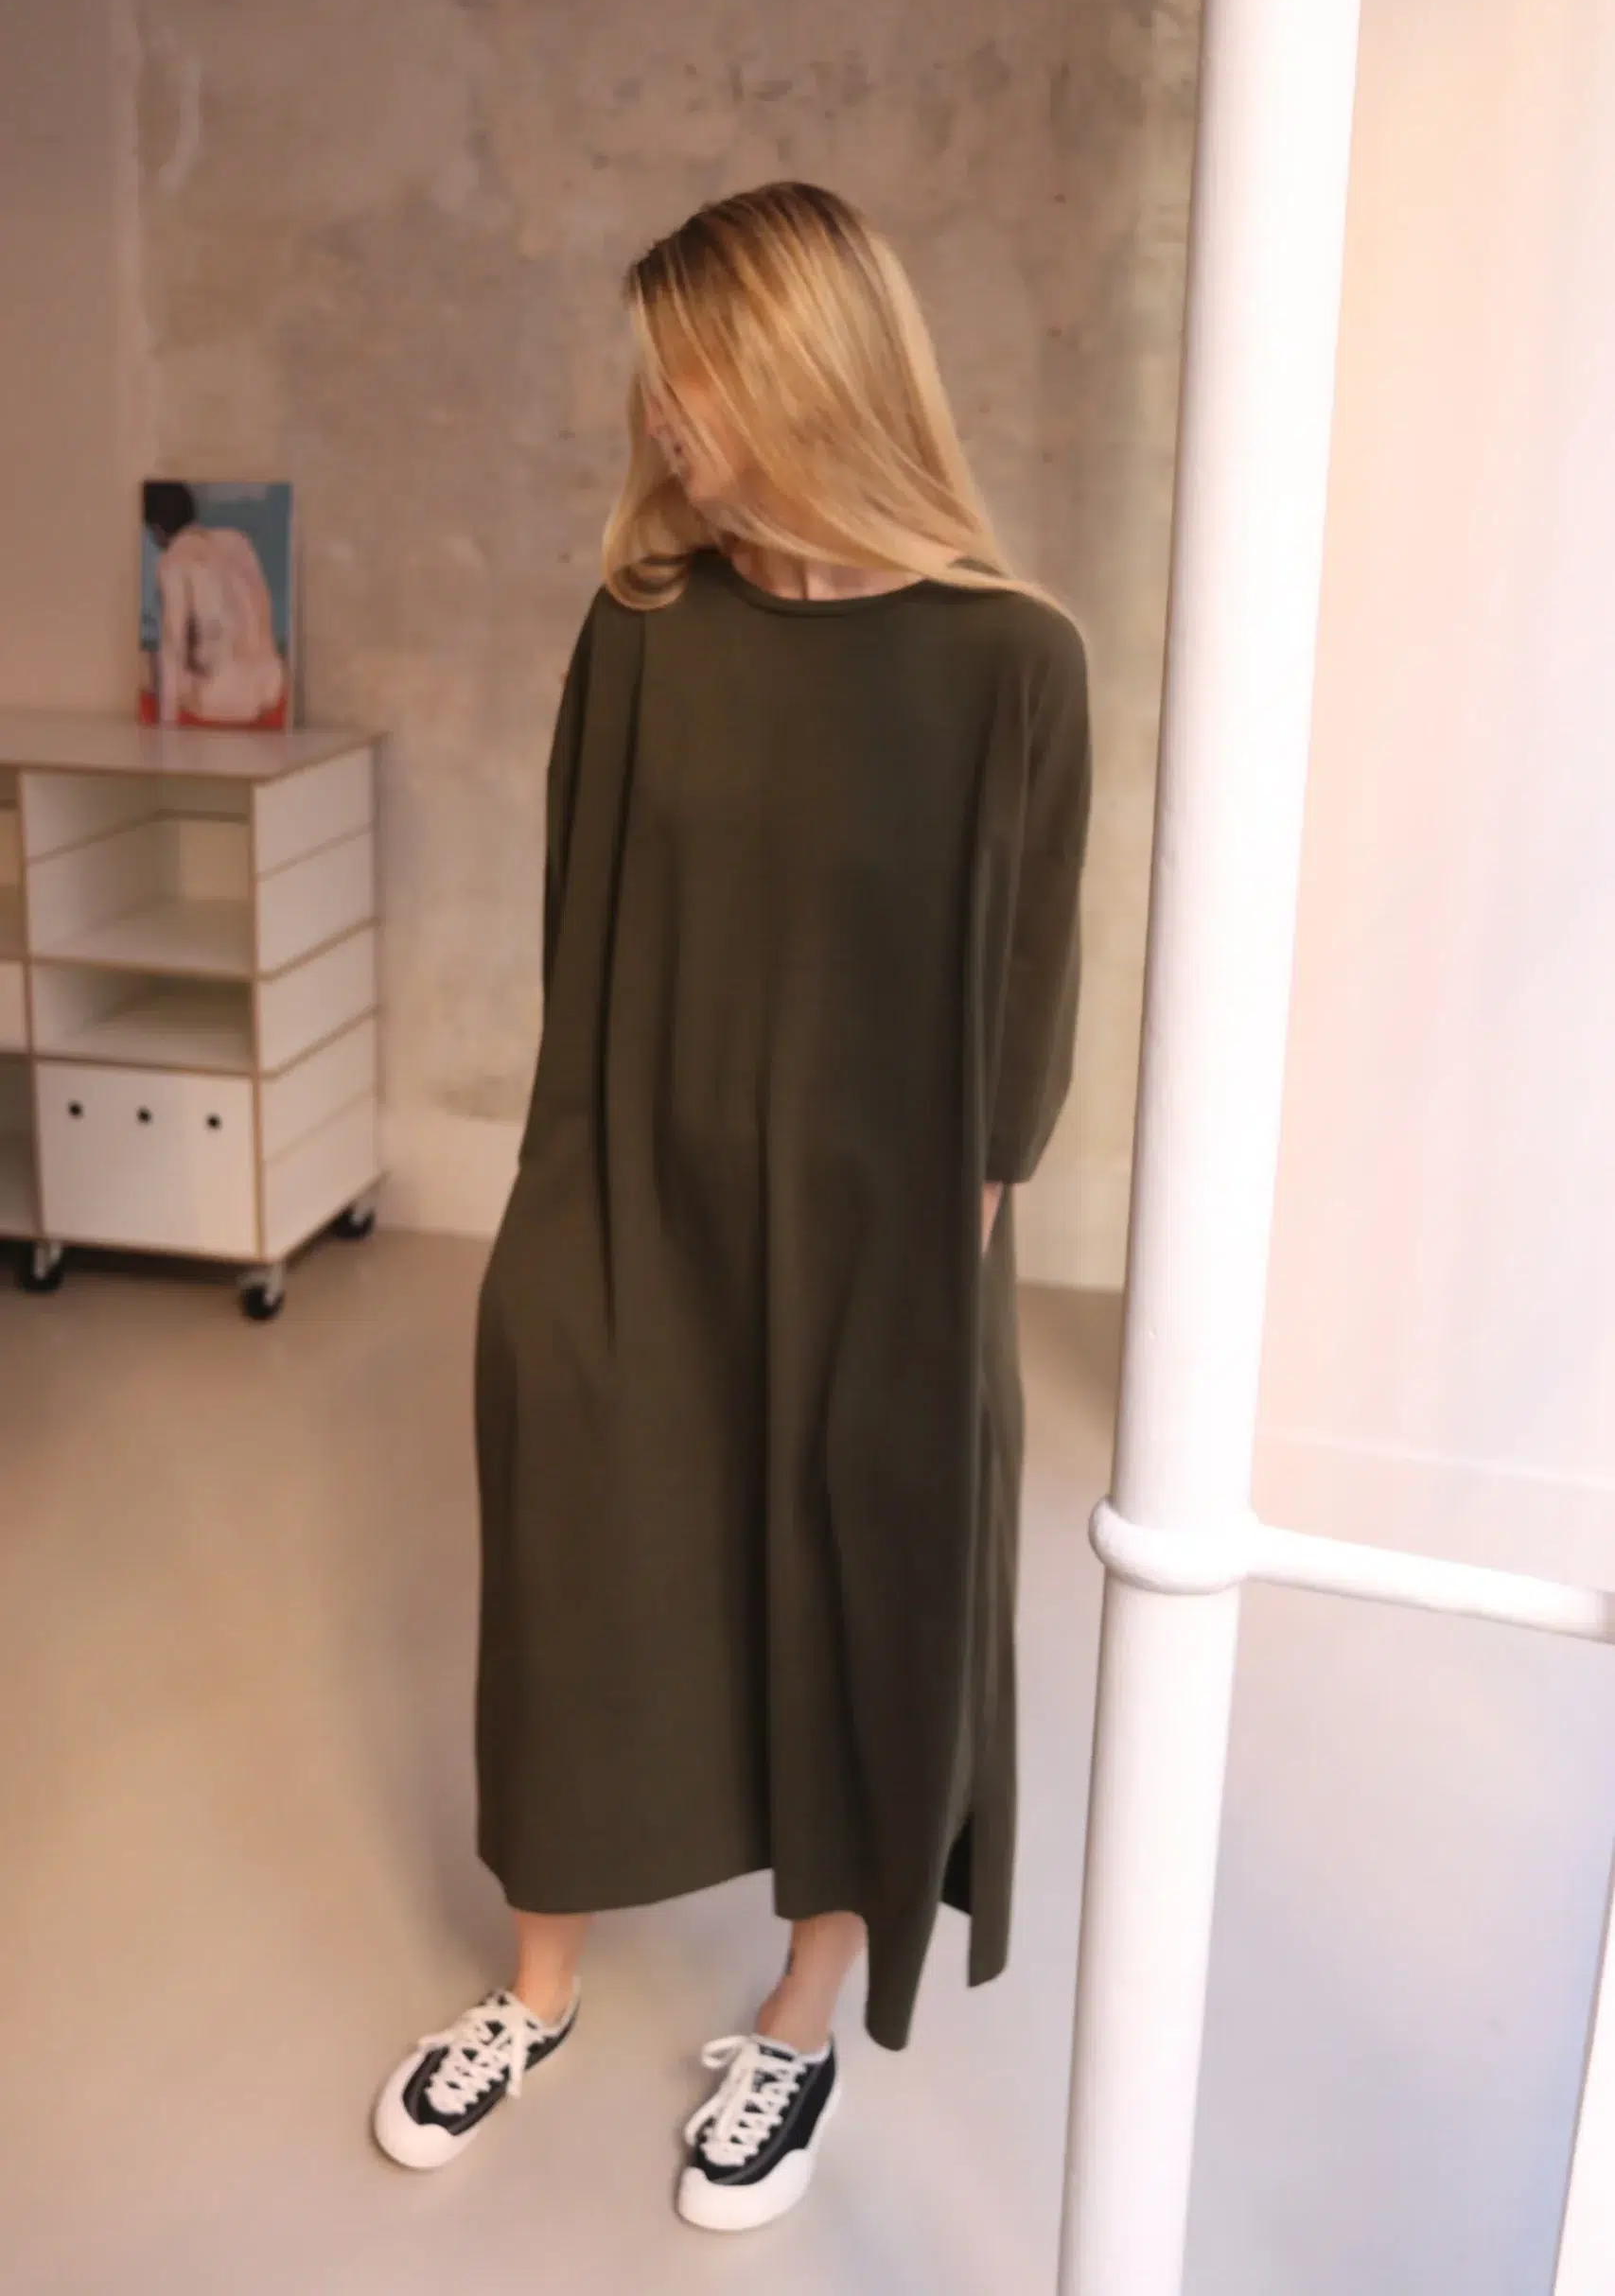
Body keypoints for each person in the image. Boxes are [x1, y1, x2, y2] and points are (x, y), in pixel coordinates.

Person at [372, 181, 1093, 2233]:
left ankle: (797, 2015)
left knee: (856, 1599)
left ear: (806, 371)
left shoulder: (1010, 665)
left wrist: (919, 1302)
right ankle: (535, 1991)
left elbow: (1016, 1039)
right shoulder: (643, 633)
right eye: (658, 378)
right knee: (578, 1574)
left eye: (694, 373)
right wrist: (554, 1243)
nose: (663, 415)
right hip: (633, 1199)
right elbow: (579, 957)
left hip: (885, 1248)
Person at [143, 482, 288, 727]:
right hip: (273, 688)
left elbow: (172, 650)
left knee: (149, 664)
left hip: (226, 703)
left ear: (156, 528)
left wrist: (165, 731)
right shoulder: (238, 541)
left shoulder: (174, 561)